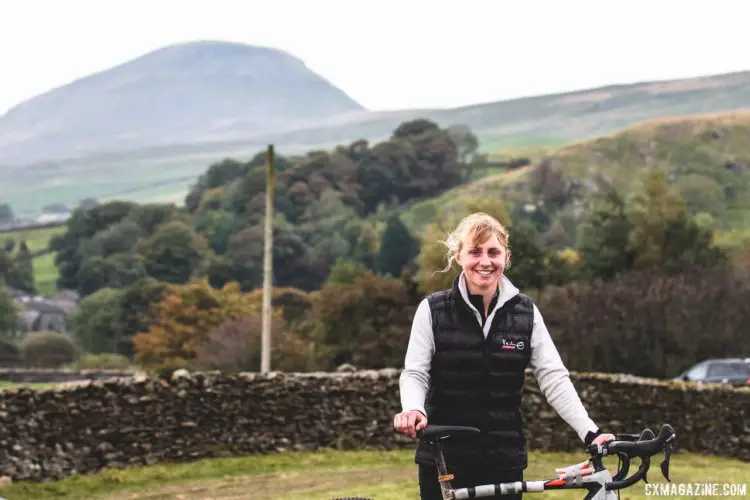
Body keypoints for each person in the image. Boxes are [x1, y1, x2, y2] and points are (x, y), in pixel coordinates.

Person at [393, 212, 614, 500]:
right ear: (459, 256)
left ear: (506, 258)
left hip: (503, 458)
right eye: (475, 252)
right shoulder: (432, 310)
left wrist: (590, 432)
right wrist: (413, 408)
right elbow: (415, 372)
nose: (485, 261)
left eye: (493, 252)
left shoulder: (526, 312)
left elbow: (553, 378)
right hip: (445, 456)